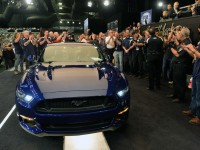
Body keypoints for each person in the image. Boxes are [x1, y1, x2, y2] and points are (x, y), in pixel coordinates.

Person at [169, 27, 193, 103]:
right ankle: (175, 94)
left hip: (181, 65)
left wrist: (171, 48)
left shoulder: (187, 42)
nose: (177, 35)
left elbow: (177, 54)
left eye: (179, 33)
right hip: (178, 64)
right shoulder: (183, 42)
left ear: (182, 35)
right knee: (176, 81)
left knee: (180, 82)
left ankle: (180, 97)